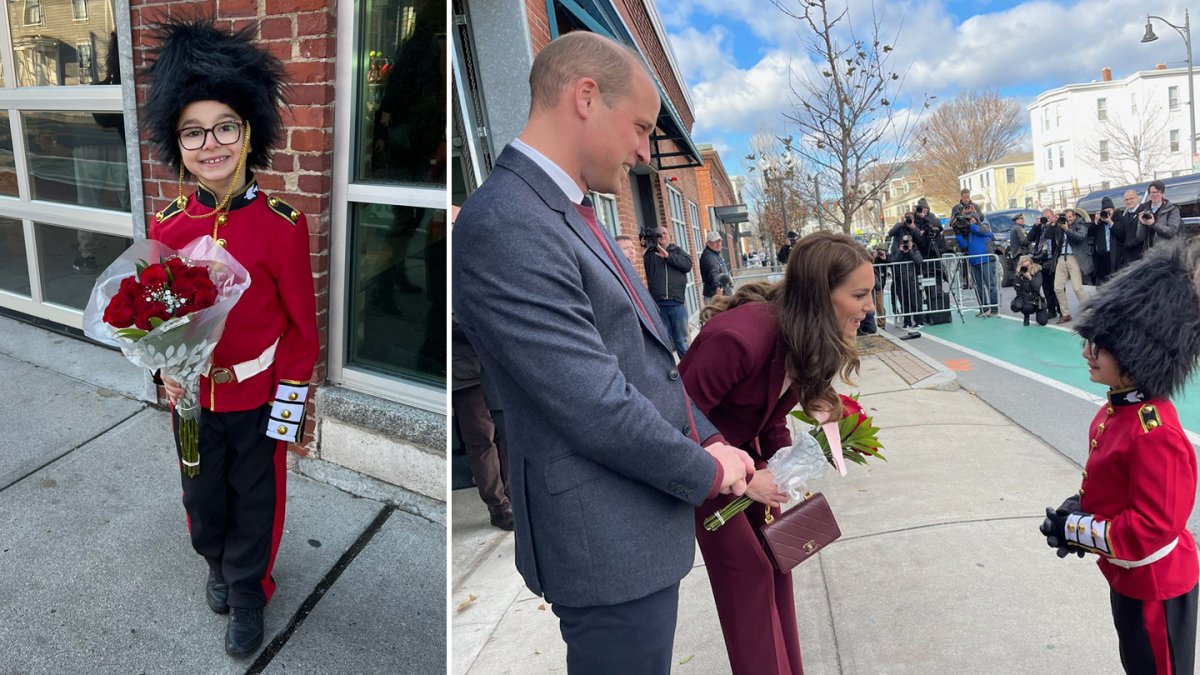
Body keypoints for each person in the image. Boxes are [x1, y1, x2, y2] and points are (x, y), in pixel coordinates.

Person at [450, 31, 754, 673]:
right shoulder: (505, 222)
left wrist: (717, 445)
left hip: (628, 523)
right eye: (641, 127)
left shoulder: (565, 210)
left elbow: (646, 365)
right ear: (585, 97)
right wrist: (707, 471)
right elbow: (592, 401)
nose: (644, 150)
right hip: (601, 539)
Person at [142, 18, 319, 657]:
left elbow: (302, 328)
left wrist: (292, 408)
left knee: (257, 499)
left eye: (224, 127)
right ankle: (214, 562)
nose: (209, 143)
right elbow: (151, 316)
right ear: (178, 143)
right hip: (191, 400)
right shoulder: (166, 223)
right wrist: (159, 371)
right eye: (193, 131)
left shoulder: (283, 224)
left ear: (247, 134)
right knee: (201, 497)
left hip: (258, 396)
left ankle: (249, 590)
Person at [680, 231, 874, 675]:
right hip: (710, 477)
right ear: (819, 295)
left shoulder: (797, 340)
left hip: (749, 473)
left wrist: (784, 468)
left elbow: (767, 419)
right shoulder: (740, 338)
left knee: (776, 564)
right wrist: (746, 479)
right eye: (860, 295)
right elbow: (674, 414)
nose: (869, 307)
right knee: (748, 580)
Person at [1040, 241, 1200, 675]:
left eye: (1098, 346)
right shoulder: (1117, 410)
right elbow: (1111, 487)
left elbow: (1149, 530)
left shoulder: (1154, 433)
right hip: (1127, 575)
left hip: (1156, 585)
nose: (1086, 353)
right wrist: (1080, 508)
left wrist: (1076, 529)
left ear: (1135, 354)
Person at [643, 225, 693, 356]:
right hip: (658, 306)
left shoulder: (677, 251)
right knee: (664, 343)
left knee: (682, 341)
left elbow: (688, 265)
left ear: (670, 236)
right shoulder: (650, 254)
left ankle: (687, 371)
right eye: (658, 235)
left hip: (676, 304)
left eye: (665, 233)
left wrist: (667, 256)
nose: (662, 236)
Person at [1050, 208, 1091, 324]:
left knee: (1077, 288)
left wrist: (1067, 229)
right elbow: (1048, 235)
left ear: (1074, 216)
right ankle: (1065, 314)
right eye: (1066, 217)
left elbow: (1080, 237)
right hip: (1061, 257)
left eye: (1070, 217)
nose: (1068, 219)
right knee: (1057, 287)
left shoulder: (1080, 223)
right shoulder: (1060, 225)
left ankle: (1089, 313)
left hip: (1074, 258)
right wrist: (1053, 223)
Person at [954, 215, 998, 316]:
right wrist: (958, 234)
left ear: (976, 219)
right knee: (979, 287)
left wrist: (970, 225)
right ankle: (983, 308)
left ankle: (994, 308)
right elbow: (964, 245)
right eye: (968, 219)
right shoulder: (970, 232)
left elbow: (984, 232)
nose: (969, 221)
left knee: (990, 285)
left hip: (986, 260)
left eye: (971, 219)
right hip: (974, 262)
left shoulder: (984, 226)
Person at [1134, 179, 1183, 253]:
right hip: (1148, 253)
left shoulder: (1172, 209)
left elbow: (1171, 232)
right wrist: (1141, 223)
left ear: (1163, 193)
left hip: (1167, 252)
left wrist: (1153, 224)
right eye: (1152, 192)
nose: (1155, 195)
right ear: (1149, 194)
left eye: (1158, 192)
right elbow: (1140, 237)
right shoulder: (1143, 208)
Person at [1110, 189, 1142, 271]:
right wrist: (1110, 223)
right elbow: (1121, 234)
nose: (1129, 201)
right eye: (1126, 200)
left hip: (1142, 255)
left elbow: (1144, 235)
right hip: (1128, 257)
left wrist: (1130, 244)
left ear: (1137, 198)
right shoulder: (1126, 215)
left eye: (1131, 198)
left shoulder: (1143, 211)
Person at [1009, 254, 1045, 326]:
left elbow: (1037, 287)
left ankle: (1040, 312)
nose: (1026, 268)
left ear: (1031, 264)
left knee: (1043, 322)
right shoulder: (1020, 275)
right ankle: (1026, 316)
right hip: (1026, 299)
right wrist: (1018, 276)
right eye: (1024, 266)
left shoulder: (1037, 272)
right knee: (1027, 307)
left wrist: (1030, 278)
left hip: (1036, 299)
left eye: (1027, 266)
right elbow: (1017, 289)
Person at [700, 230, 733, 304]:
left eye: (719, 241)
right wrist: (719, 288)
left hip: (719, 294)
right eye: (715, 242)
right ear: (708, 243)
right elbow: (714, 274)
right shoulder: (709, 257)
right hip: (716, 296)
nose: (718, 244)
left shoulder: (715, 254)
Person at [1091, 197, 1114, 284]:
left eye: (1109, 211)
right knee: (1102, 281)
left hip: (1113, 254)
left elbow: (1120, 232)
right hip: (1101, 255)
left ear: (1113, 210)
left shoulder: (1116, 220)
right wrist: (1096, 221)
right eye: (1105, 211)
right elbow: (1090, 233)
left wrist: (1110, 222)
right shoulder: (1100, 223)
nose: (1107, 213)